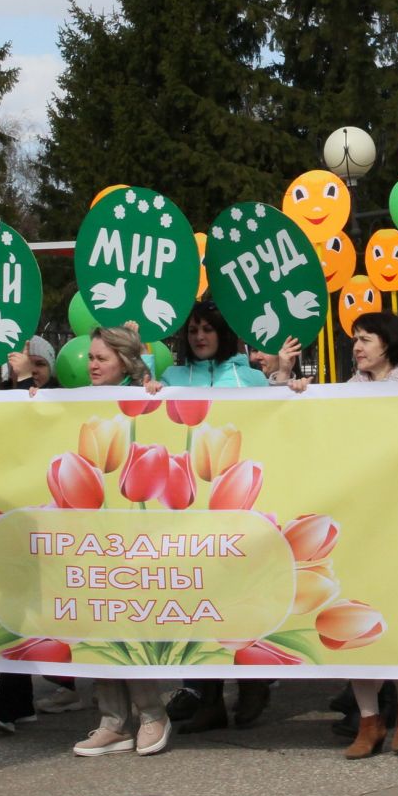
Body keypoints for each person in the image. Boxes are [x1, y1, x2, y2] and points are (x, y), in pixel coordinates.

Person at [164, 302, 273, 734]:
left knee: (241, 598)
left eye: (208, 328)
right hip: (190, 511)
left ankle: (253, 685)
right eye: (193, 329)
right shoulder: (171, 379)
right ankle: (206, 698)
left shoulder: (250, 378)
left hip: (241, 506)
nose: (199, 336)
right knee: (199, 603)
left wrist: (291, 388)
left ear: (223, 333)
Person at [72, 324, 178, 760]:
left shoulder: (152, 395)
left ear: (125, 362)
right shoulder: (74, 401)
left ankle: (153, 714)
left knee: (131, 618)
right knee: (99, 620)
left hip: (139, 530)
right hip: (92, 530)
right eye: (91, 358)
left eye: (101, 358)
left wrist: (154, 393)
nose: (92, 364)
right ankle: (112, 722)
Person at [335, 311, 398, 756]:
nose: (357, 347)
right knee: (354, 619)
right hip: (357, 519)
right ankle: (369, 720)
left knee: (390, 618)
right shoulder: (348, 394)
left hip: (397, 520)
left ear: (387, 343)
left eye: (365, 338)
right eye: (354, 339)